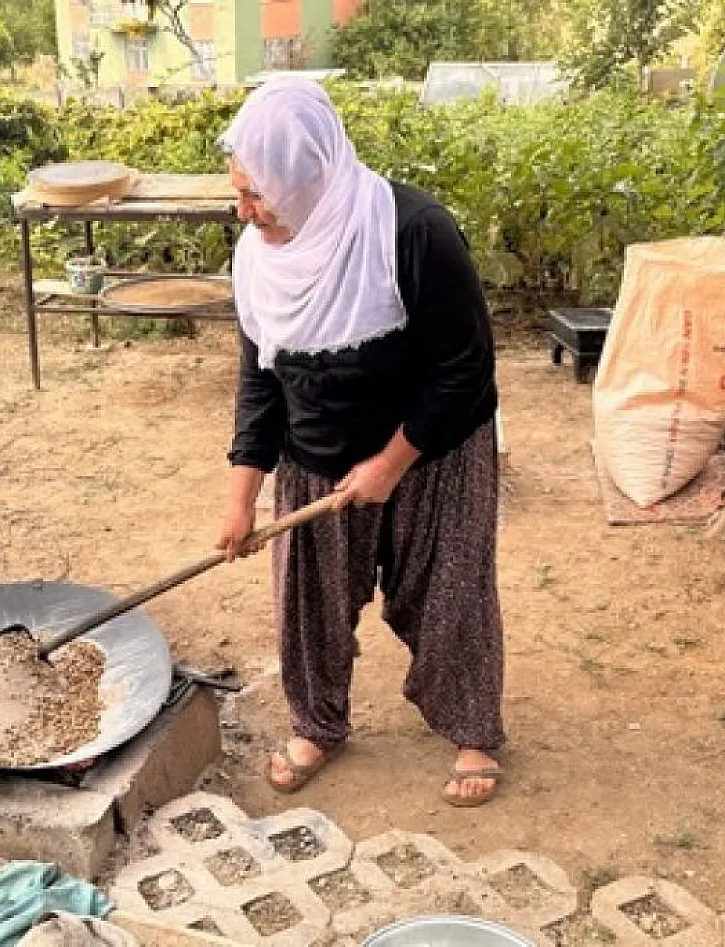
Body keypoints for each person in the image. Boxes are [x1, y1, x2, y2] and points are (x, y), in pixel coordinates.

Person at [215, 78, 506, 807]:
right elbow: (260, 382)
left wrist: (390, 462)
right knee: (307, 603)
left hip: (432, 451)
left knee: (449, 593)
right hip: (314, 455)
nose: (245, 212)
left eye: (258, 194)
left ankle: (472, 728)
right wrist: (242, 500)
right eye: (240, 192)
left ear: (307, 177)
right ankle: (317, 721)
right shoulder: (257, 256)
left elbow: (465, 369)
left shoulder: (411, 231)